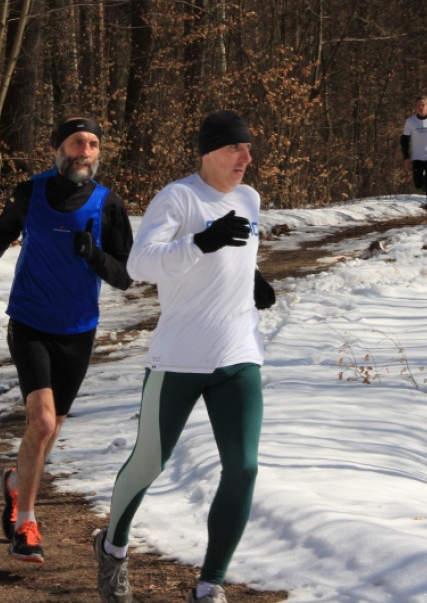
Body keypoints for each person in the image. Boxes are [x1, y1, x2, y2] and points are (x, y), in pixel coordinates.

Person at [93, 110, 275, 603]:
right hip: (178, 358)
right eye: (236, 148)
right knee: (150, 462)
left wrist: (251, 278)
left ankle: (209, 584)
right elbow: (140, 263)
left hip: (239, 354)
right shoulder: (178, 197)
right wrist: (199, 241)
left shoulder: (249, 198)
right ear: (210, 151)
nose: (246, 157)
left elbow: (238, 252)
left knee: (244, 468)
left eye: (248, 148)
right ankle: (112, 548)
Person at [0, 116, 134, 563]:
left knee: (51, 428)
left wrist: (94, 255)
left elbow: (125, 276)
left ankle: (17, 483)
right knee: (40, 423)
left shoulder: (107, 204)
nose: (86, 151)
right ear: (57, 150)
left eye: (94, 144)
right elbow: (4, 229)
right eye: (77, 143)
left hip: (78, 329)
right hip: (30, 322)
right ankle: (26, 524)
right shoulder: (32, 191)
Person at [400, 95, 427, 218]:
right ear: (415, 108)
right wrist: (406, 158)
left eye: (423, 105)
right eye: (418, 105)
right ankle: (424, 183)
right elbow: (404, 140)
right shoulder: (410, 122)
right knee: (418, 184)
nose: (421, 107)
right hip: (417, 156)